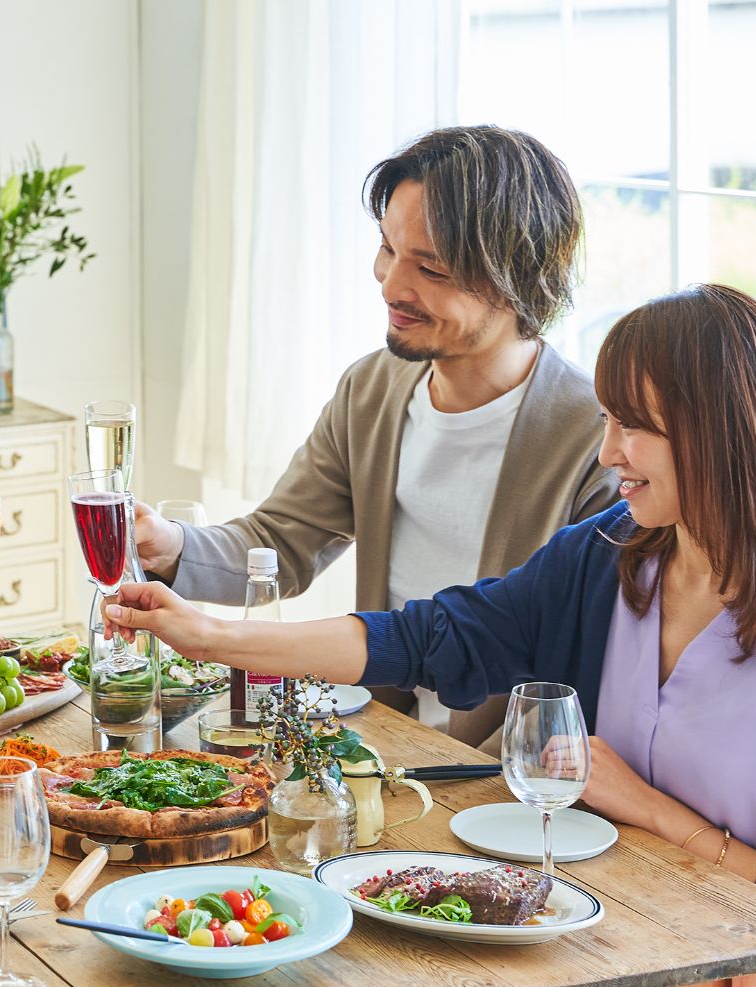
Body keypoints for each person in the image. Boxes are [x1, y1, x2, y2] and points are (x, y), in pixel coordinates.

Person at [107, 285, 756, 987]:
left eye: (636, 425)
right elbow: (440, 635)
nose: (609, 449)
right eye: (610, 420)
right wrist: (216, 634)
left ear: (718, 433)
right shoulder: (610, 558)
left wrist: (654, 810)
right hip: (618, 960)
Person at [134, 125, 617, 747]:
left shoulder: (596, 441)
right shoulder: (374, 390)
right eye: (388, 248)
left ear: (516, 276)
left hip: (505, 771)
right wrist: (168, 546)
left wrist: (478, 778)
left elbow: (586, 667)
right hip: (378, 740)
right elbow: (280, 542)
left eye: (431, 267)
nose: (390, 284)